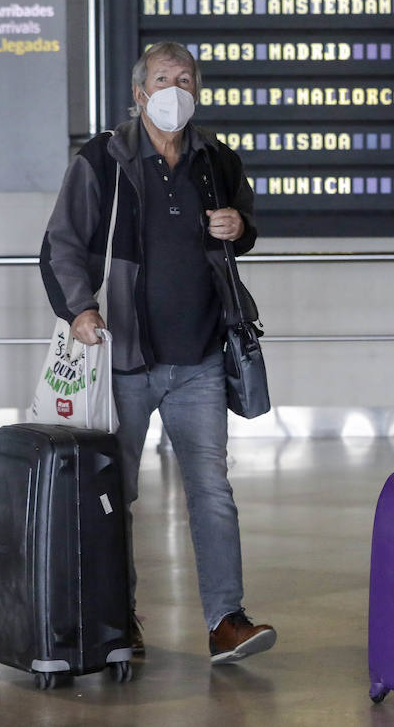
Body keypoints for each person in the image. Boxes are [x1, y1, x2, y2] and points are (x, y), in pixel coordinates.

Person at [39, 41, 276, 665]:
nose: (177, 88)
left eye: (187, 78)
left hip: (200, 357)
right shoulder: (105, 159)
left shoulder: (217, 160)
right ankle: (118, 619)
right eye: (165, 78)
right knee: (116, 494)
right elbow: (62, 244)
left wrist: (239, 229)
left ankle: (228, 618)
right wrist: (80, 309)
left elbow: (242, 227)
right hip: (123, 362)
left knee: (211, 489)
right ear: (140, 92)